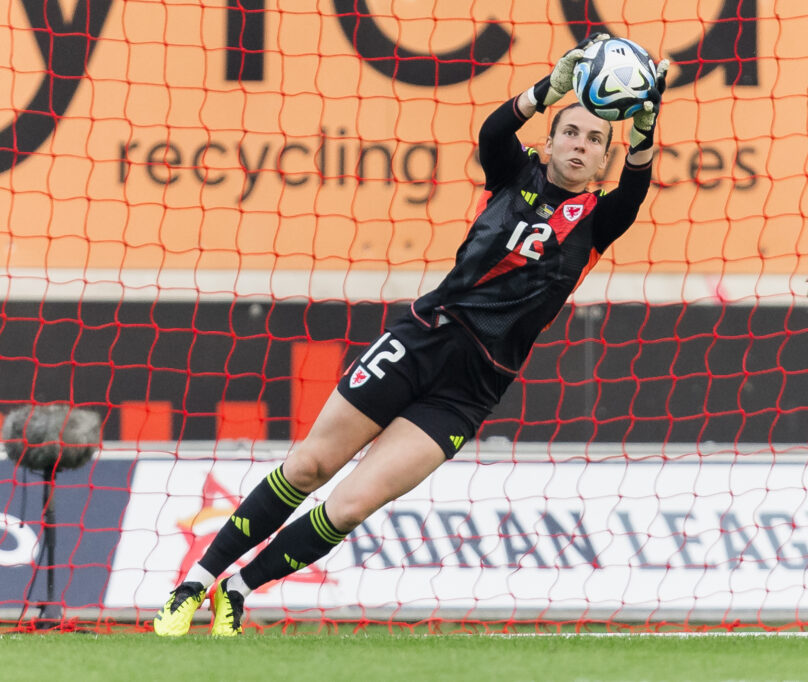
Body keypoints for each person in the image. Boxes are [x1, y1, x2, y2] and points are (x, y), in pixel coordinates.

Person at [153, 34, 670, 637]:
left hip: (473, 388)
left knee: (348, 505)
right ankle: (193, 583)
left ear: (607, 155)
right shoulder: (514, 173)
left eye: (595, 140)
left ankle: (239, 590)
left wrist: (648, 124)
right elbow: (491, 136)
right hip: (423, 337)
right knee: (311, 466)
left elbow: (634, 187)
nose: (581, 146)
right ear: (550, 140)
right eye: (571, 133)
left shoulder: (599, 220)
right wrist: (545, 92)